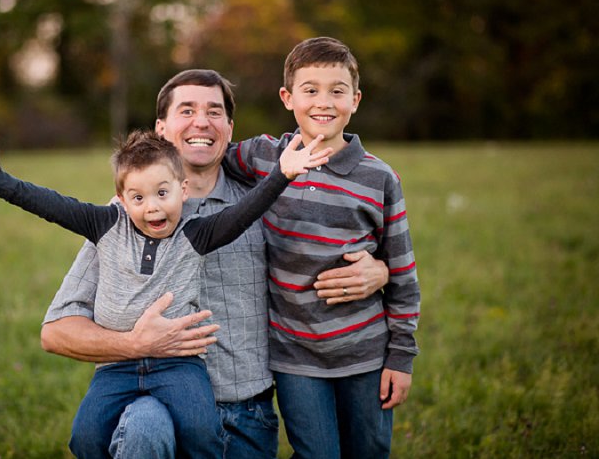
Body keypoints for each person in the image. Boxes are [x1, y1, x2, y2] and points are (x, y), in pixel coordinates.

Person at [38, 69, 391, 459]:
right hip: (155, 405)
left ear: (229, 127)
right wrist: (134, 344)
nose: (201, 121)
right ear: (161, 127)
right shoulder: (126, 219)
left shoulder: (264, 203)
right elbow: (56, 332)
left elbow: (323, 253)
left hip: (245, 414)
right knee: (143, 427)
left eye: (214, 112)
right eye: (186, 110)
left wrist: (381, 271)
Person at [0, 128, 331, 458]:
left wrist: (281, 174)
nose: (152, 208)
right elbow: (52, 205)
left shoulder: (194, 234)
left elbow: (242, 214)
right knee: (85, 436)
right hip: (117, 369)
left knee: (203, 431)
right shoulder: (105, 225)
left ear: (182, 190)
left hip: (178, 366)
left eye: (163, 193)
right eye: (139, 198)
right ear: (122, 198)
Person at [222, 37, 421, 458]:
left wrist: (400, 358)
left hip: (365, 354)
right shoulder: (263, 158)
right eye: (310, 89)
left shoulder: (379, 178)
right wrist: (142, 187)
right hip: (295, 358)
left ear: (356, 100)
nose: (323, 102)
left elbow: (403, 275)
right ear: (287, 97)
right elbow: (203, 152)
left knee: (368, 451)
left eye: (337, 90)